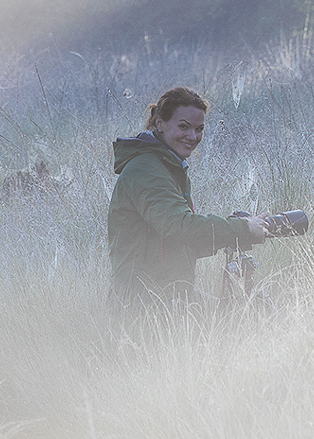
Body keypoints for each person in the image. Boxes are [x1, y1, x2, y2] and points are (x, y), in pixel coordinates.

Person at [107, 86, 268, 309]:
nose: (192, 136)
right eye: (183, 127)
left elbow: (173, 242)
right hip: (143, 305)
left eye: (199, 129)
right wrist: (241, 228)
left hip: (169, 294)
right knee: (242, 317)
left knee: (243, 311)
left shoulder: (167, 166)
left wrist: (232, 234)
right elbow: (180, 227)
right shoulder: (145, 170)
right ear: (160, 123)